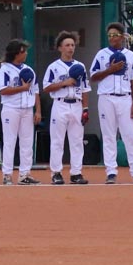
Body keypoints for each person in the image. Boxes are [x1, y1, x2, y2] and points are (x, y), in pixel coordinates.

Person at [89, 22, 133, 184]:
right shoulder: (101, 54)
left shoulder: (130, 55)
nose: (112, 38)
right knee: (109, 135)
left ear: (122, 36)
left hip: (125, 97)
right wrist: (110, 70)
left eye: (115, 35)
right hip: (106, 97)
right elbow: (93, 77)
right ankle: (111, 172)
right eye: (109, 35)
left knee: (130, 134)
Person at [41, 30, 90, 185]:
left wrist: (85, 108)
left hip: (76, 104)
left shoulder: (80, 66)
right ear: (60, 48)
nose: (70, 48)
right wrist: (64, 83)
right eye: (67, 45)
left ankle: (76, 173)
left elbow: (85, 89)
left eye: (72, 45)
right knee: (57, 140)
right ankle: (56, 172)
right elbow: (46, 87)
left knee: (77, 140)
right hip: (60, 104)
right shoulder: (54, 67)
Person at [0, 39, 42, 185]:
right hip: (11, 108)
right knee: (10, 141)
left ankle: (25, 174)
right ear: (16, 53)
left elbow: (35, 91)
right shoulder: (5, 69)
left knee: (27, 142)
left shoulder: (29, 69)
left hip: (27, 108)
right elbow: (3, 90)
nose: (26, 53)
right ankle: (7, 174)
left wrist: (38, 111)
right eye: (23, 51)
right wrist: (22, 88)